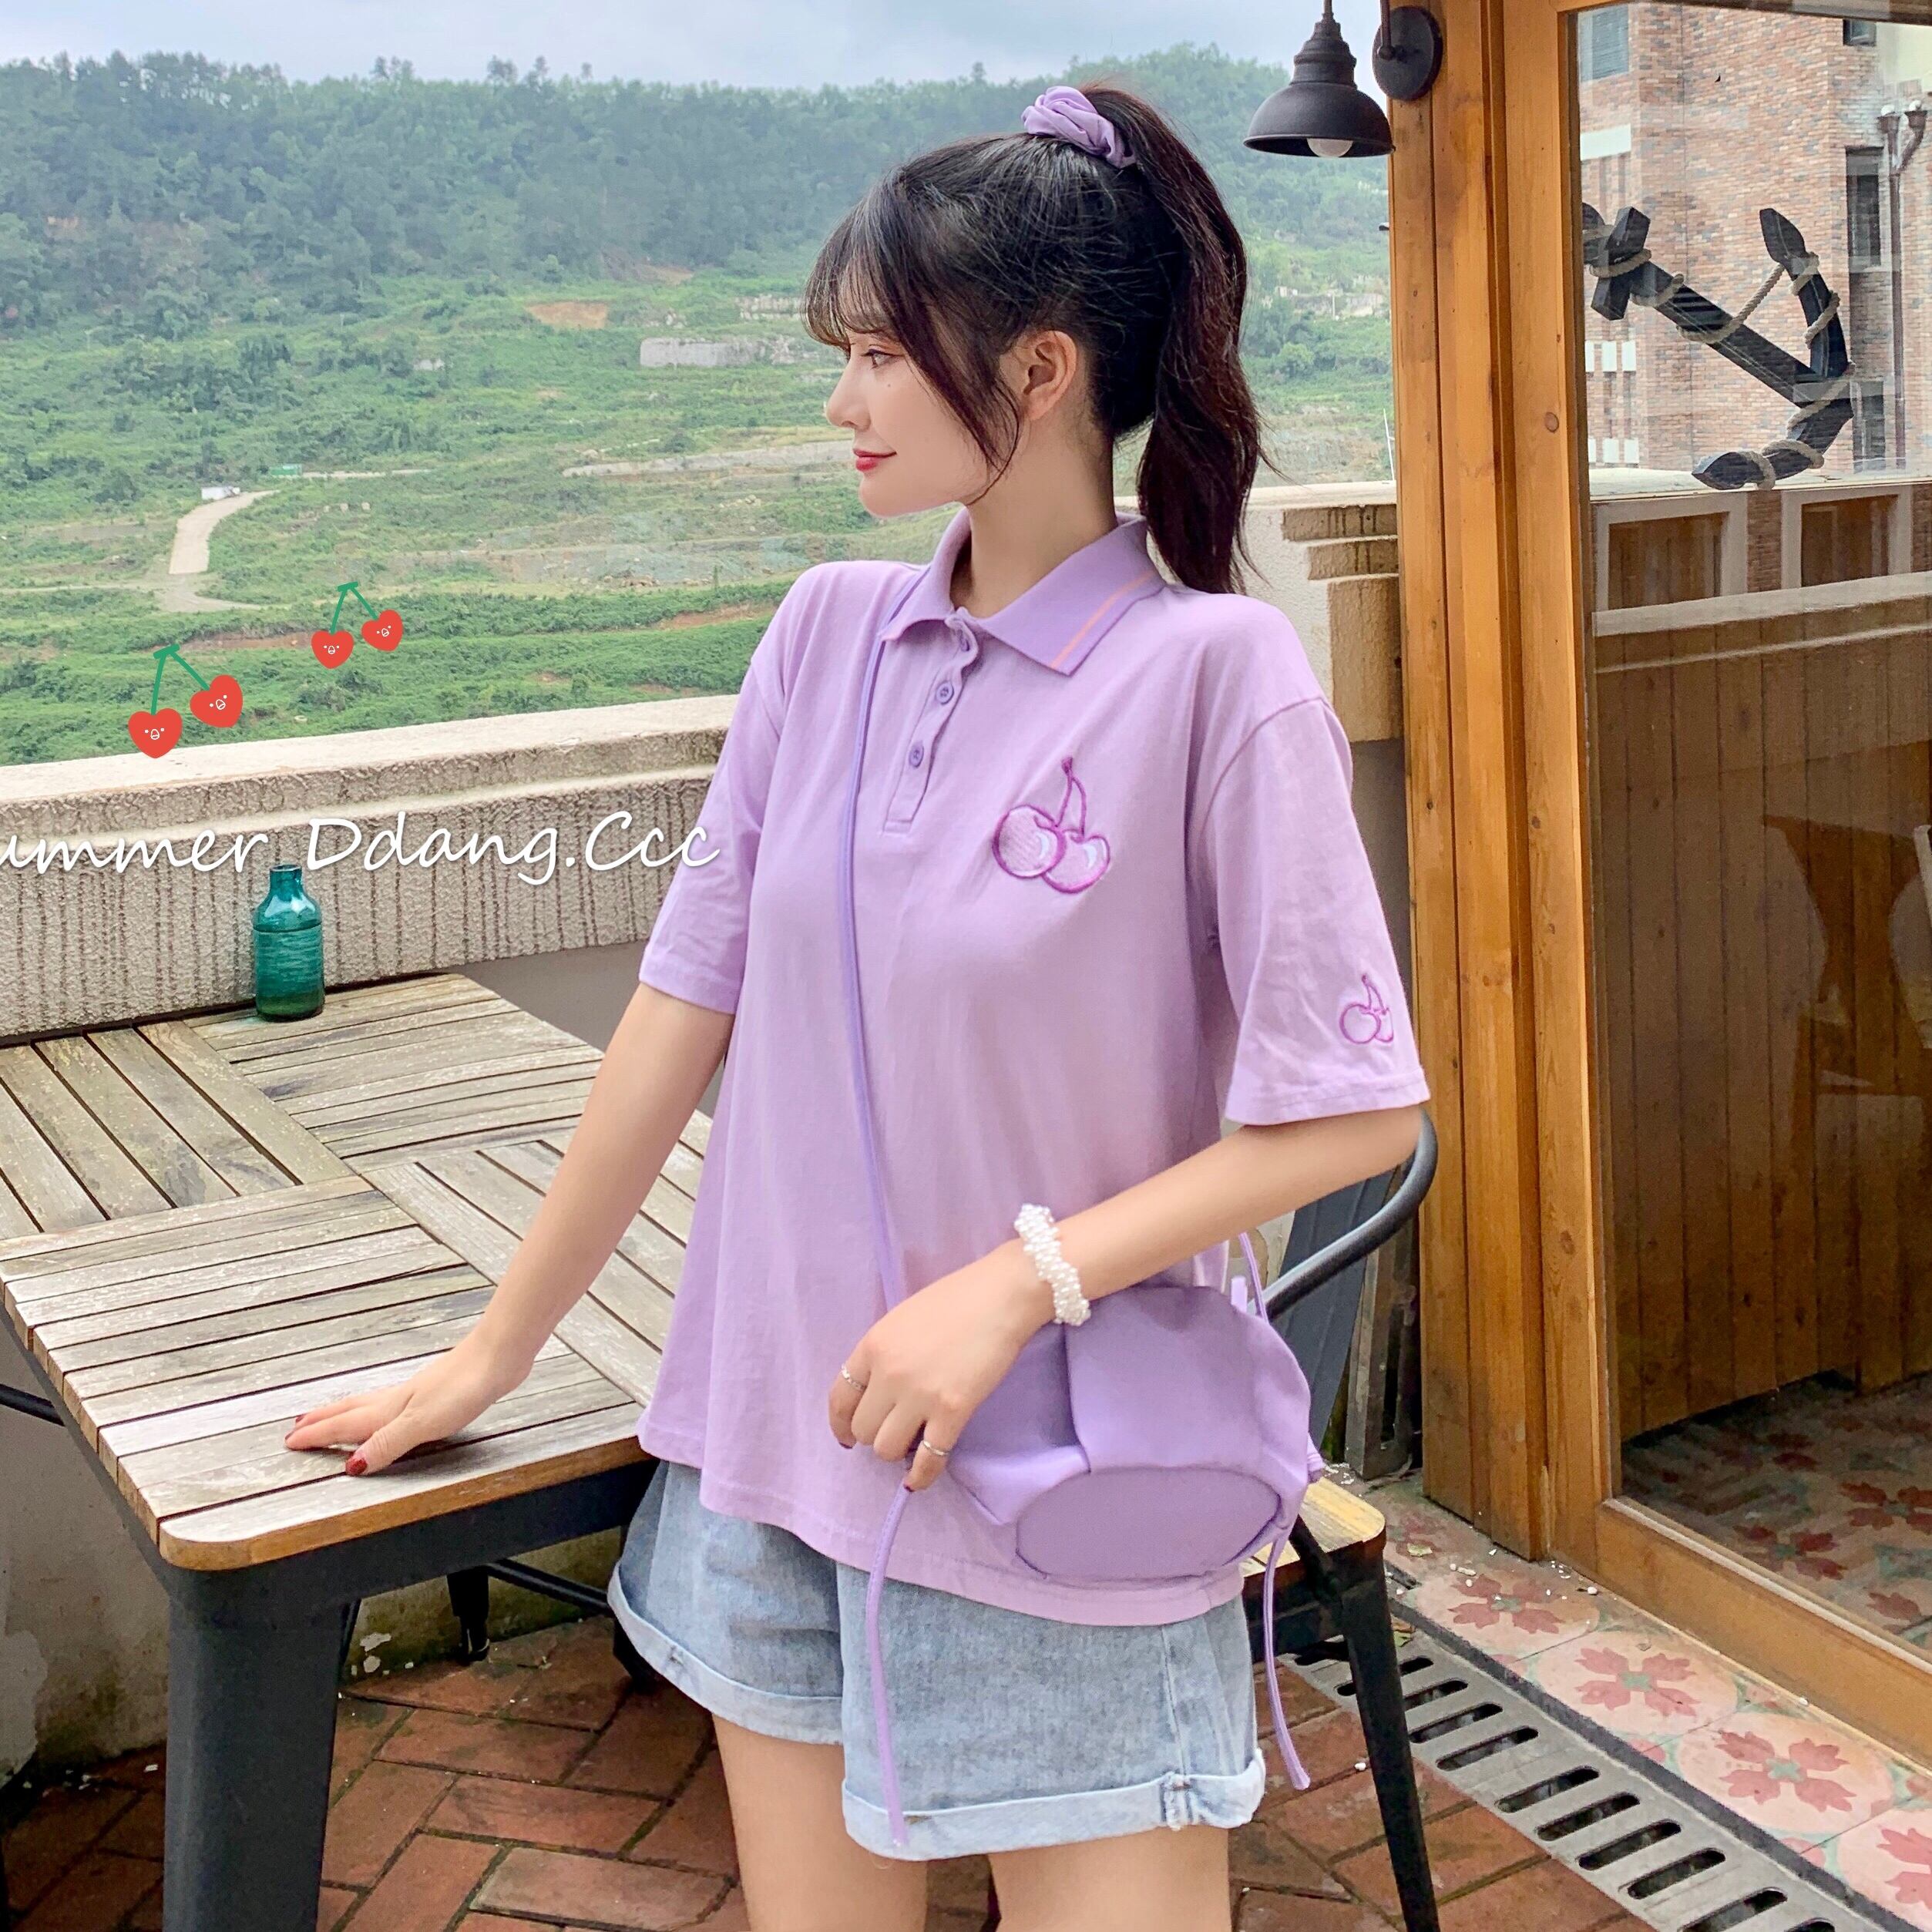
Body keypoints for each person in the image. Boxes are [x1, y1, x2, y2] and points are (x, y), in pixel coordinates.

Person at [284, 79, 1428, 1932]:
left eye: (883, 354)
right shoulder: (823, 638)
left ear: (1040, 370)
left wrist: (1015, 1285)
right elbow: (681, 1010)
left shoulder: (1220, 679)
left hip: (1068, 1483)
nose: (842, 400)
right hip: (781, 1462)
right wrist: (493, 1351)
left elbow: (1354, 1111)